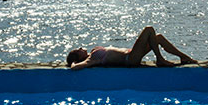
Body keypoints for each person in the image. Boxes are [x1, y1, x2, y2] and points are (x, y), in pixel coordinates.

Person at [66, 26, 197, 70]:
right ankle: (160, 59)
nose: (81, 47)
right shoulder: (91, 59)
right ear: (79, 57)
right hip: (130, 59)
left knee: (158, 37)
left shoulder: (94, 52)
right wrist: (73, 62)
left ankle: (184, 57)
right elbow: (75, 68)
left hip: (132, 54)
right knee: (148, 30)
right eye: (78, 50)